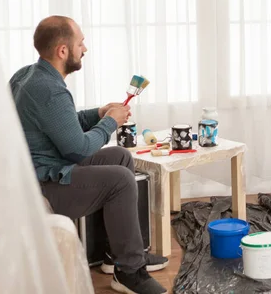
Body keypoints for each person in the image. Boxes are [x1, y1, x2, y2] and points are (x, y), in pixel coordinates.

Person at [9, 16, 168, 294]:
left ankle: (115, 256)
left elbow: (62, 124)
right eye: (80, 43)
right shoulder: (49, 90)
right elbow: (78, 148)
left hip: (45, 168)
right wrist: (111, 122)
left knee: (120, 157)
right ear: (62, 51)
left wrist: (98, 113)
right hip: (44, 185)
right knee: (120, 179)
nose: (85, 48)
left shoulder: (28, 75)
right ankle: (130, 273)